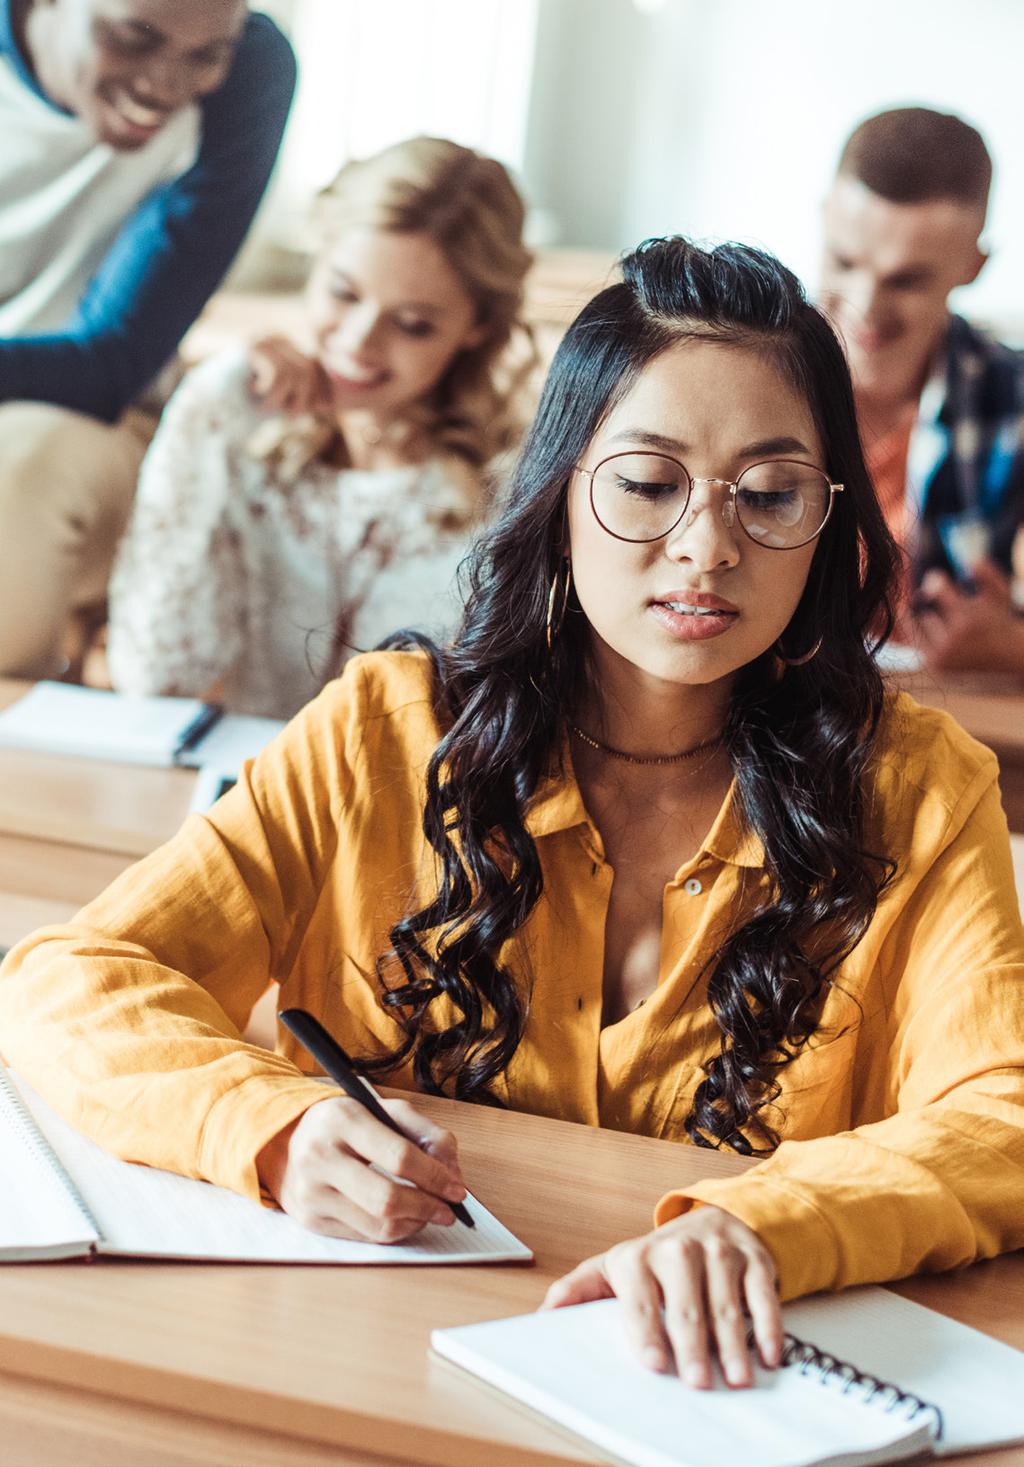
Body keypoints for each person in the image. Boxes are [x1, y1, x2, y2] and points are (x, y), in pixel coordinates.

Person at [2, 238, 1022, 1393]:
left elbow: (1004, 1111)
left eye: (771, 495)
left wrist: (776, 1222)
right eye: (646, 483)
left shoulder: (914, 785)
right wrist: (269, 1128)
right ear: (560, 493)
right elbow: (70, 977)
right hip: (366, 1360)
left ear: (828, 521)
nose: (706, 546)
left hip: (713, 1387)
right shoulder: (384, 733)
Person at [106, 135, 534, 719]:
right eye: (342, 292)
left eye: (412, 324)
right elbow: (156, 676)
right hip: (247, 796)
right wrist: (206, 405)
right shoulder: (246, 440)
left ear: (478, 326)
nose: (358, 342)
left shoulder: (513, 488)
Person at [0, 0, 296, 678]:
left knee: (18, 465)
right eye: (133, 36)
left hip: (103, 423)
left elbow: (113, 360)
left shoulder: (251, 72)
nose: (165, 84)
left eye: (204, 54)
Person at [819, 106, 1024, 675]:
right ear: (823, 220)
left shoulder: (1013, 403)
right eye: (843, 261)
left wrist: (1012, 649)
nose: (866, 305)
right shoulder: (739, 377)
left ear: (973, 265)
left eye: (907, 280)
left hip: (940, 724)